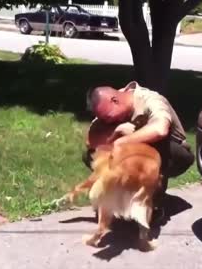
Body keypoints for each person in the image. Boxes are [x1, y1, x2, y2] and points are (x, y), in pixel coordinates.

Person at [82, 81, 195, 220]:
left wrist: (121, 141)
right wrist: (115, 132)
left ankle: (153, 205)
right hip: (137, 154)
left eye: (109, 118)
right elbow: (91, 140)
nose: (108, 122)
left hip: (174, 153)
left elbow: (160, 130)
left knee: (154, 145)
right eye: (104, 120)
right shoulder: (107, 106)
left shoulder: (150, 99)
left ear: (115, 100)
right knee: (93, 155)